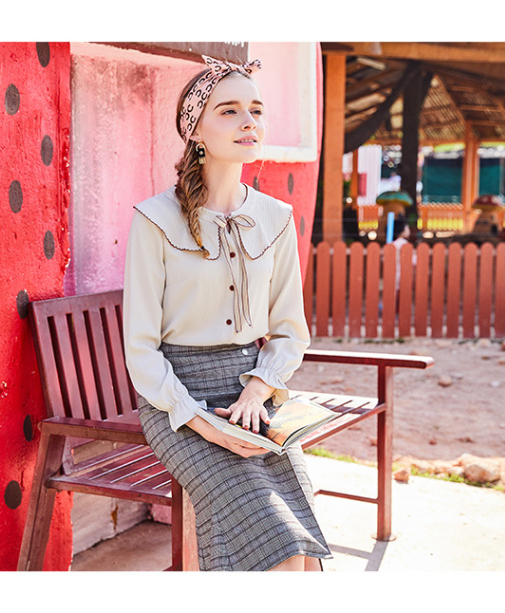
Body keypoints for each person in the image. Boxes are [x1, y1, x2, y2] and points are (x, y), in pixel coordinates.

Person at [123, 56, 332, 572]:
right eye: (230, 110)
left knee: (301, 552)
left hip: (251, 396)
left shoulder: (276, 218)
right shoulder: (155, 219)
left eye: (256, 110)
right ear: (195, 131)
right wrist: (204, 422)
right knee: (277, 544)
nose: (248, 122)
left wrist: (258, 391)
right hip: (177, 400)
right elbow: (141, 349)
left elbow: (290, 331)